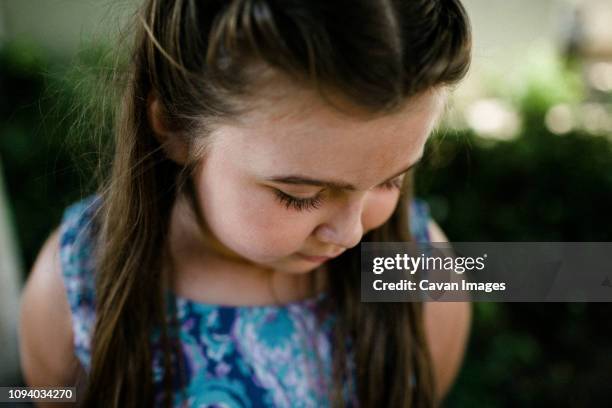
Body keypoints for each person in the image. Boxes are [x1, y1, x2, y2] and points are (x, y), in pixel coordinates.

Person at [19, 0, 472, 406]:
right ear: (175, 127)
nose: (351, 233)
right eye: (300, 196)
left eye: (391, 181)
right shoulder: (73, 287)